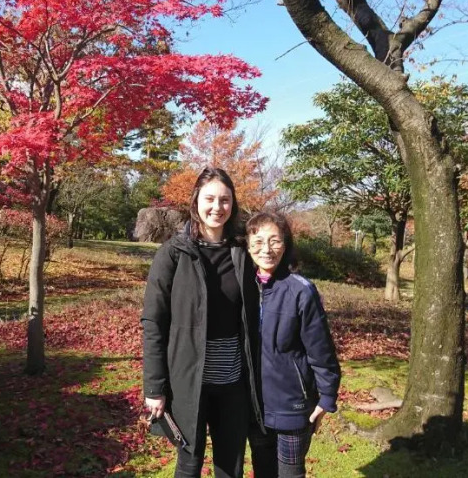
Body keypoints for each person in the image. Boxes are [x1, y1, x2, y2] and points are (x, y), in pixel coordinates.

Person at [141, 167, 263, 478]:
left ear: (233, 203)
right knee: (189, 463)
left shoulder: (243, 252)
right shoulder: (173, 253)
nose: (217, 207)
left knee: (231, 465)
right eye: (210, 199)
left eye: (225, 200)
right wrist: (154, 387)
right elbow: (154, 321)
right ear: (196, 201)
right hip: (188, 380)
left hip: (233, 381)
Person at [245, 212, 341, 478]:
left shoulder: (301, 290)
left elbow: (321, 350)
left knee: (290, 473)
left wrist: (327, 396)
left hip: (293, 405)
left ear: (285, 245)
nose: (266, 249)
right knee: (263, 471)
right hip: (254, 406)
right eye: (258, 241)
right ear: (248, 246)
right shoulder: (242, 288)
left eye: (274, 241)